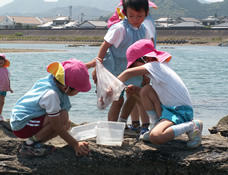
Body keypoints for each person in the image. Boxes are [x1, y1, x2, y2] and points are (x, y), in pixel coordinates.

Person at [118, 39, 203, 148]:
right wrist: (136, 90)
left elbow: (127, 73)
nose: (135, 68)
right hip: (168, 110)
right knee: (146, 90)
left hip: (179, 111)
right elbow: (154, 94)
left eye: (134, 64)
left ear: (145, 59)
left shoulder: (155, 66)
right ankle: (155, 125)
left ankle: (192, 126)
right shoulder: (159, 68)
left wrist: (111, 85)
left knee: (156, 137)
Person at [92, 0, 157, 133]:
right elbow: (105, 46)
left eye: (139, 16)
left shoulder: (145, 30)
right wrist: (98, 65)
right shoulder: (119, 28)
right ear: (125, 13)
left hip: (133, 68)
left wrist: (146, 73)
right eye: (131, 16)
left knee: (136, 94)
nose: (135, 20)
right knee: (118, 99)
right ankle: (112, 128)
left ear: (146, 13)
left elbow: (146, 52)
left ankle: (144, 126)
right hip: (115, 67)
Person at [10, 58, 96, 157]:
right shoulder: (51, 95)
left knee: (66, 123)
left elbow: (71, 71)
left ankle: (36, 144)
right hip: (22, 124)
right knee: (63, 117)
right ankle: (28, 146)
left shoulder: (57, 78)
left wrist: (89, 65)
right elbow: (57, 126)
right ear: (66, 88)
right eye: (78, 90)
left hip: (25, 118)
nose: (79, 92)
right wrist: (75, 144)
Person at [0, 54, 13, 121]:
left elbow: (7, 79)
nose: (0, 61)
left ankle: (0, 114)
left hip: (4, 89)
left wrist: (9, 88)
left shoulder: (6, 70)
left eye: (1, 59)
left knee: (2, 102)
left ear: (4, 61)